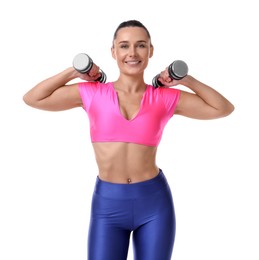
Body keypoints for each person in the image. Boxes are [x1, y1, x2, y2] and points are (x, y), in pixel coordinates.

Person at [23, 20, 234, 260]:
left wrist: (185, 80)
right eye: (124, 46)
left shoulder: (164, 97)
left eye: (140, 45)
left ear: (151, 51)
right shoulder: (92, 93)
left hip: (154, 204)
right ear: (113, 52)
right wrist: (75, 72)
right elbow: (33, 98)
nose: (132, 53)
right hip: (108, 207)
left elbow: (223, 108)